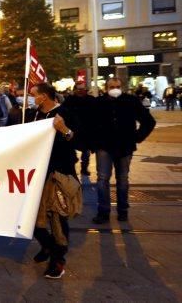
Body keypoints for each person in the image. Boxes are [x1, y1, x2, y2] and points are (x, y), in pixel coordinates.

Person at [30, 83, 82, 279]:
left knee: (58, 218)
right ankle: (48, 247)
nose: (32, 97)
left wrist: (64, 129)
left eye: (34, 94)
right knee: (34, 220)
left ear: (44, 96)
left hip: (59, 174)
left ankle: (58, 260)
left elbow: (77, 139)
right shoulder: (34, 115)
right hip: (38, 174)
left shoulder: (65, 113)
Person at [90, 78, 156, 224]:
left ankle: (122, 211)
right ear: (106, 88)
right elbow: (90, 124)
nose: (115, 89)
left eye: (117, 86)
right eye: (112, 86)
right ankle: (103, 211)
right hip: (104, 146)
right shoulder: (98, 102)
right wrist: (94, 142)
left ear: (122, 87)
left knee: (123, 180)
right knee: (102, 180)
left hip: (124, 147)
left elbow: (149, 121)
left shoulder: (131, 101)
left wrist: (137, 137)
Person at [63, 83, 96, 176]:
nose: (81, 91)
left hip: (87, 131)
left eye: (83, 89)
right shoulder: (69, 100)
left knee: (86, 153)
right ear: (74, 90)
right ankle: (71, 169)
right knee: (71, 152)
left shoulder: (91, 100)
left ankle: (84, 169)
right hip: (72, 131)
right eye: (78, 89)